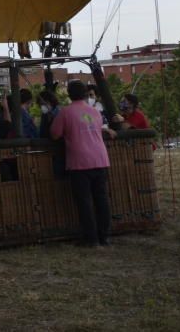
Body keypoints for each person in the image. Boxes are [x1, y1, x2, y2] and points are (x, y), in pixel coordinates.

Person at [51, 80, 115, 247]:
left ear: (69, 94)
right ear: (86, 93)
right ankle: (105, 236)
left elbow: (55, 134)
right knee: (101, 199)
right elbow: (98, 128)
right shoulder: (94, 111)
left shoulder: (66, 112)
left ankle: (91, 239)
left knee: (84, 201)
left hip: (79, 161)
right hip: (100, 158)